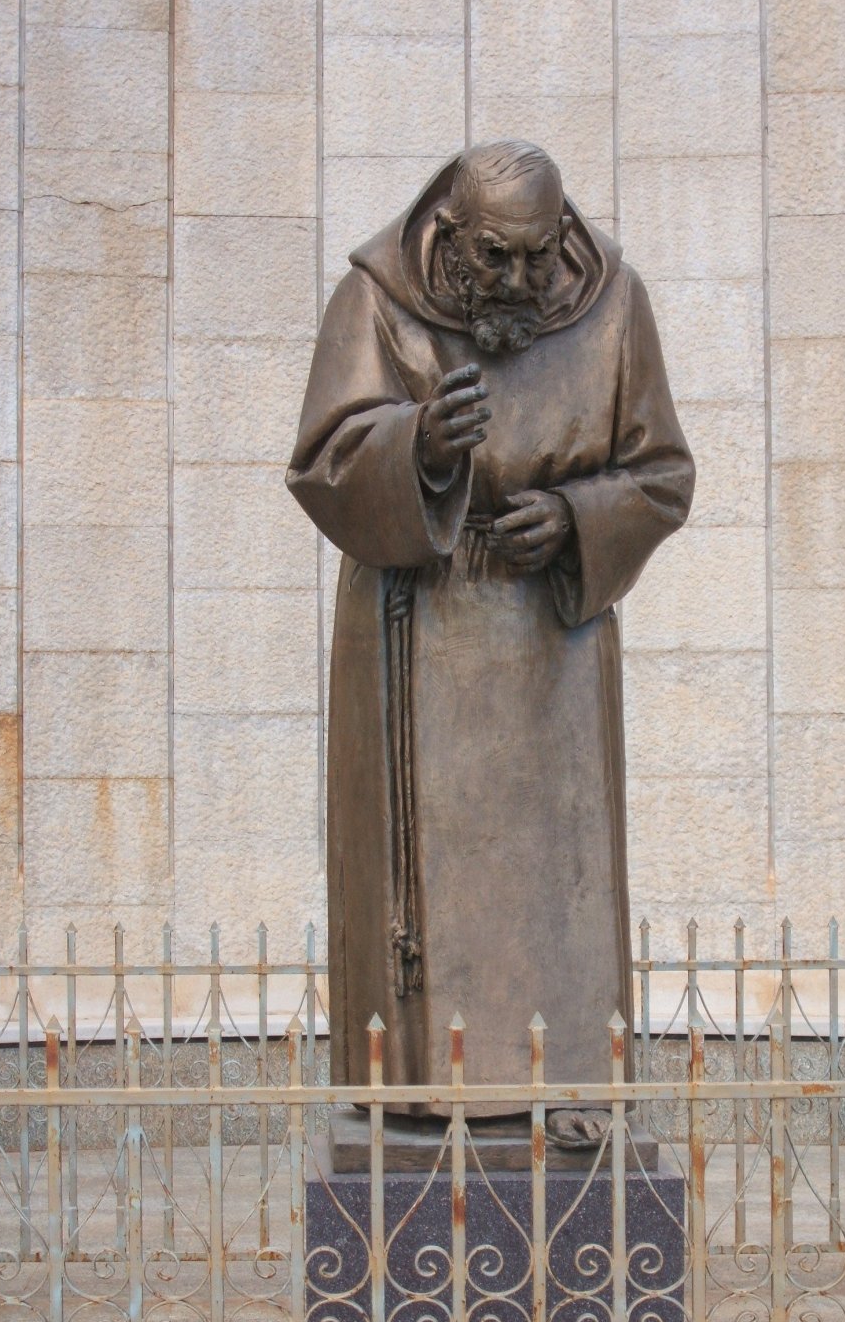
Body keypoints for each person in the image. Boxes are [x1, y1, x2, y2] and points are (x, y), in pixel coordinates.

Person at [286, 141, 694, 1145]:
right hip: (415, 631)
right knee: (428, 885)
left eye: (533, 257)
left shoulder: (613, 305)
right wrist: (417, 446)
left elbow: (662, 473)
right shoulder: (377, 301)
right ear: (449, 238)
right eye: (492, 259)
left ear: (561, 238)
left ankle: (564, 1077)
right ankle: (425, 1087)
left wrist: (571, 518)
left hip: (552, 642)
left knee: (557, 869)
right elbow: (321, 461)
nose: (516, 282)